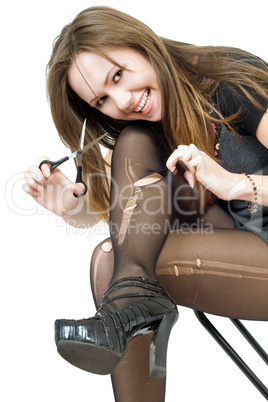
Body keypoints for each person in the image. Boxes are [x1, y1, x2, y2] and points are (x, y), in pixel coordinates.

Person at [23, 6, 268, 402]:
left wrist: (231, 184)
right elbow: (127, 219)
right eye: (102, 99)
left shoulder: (228, 79)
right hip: (241, 242)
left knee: (117, 271)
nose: (122, 100)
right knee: (113, 256)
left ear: (142, 46)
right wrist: (72, 209)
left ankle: (125, 305)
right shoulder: (141, 133)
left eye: (118, 75)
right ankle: (130, 303)